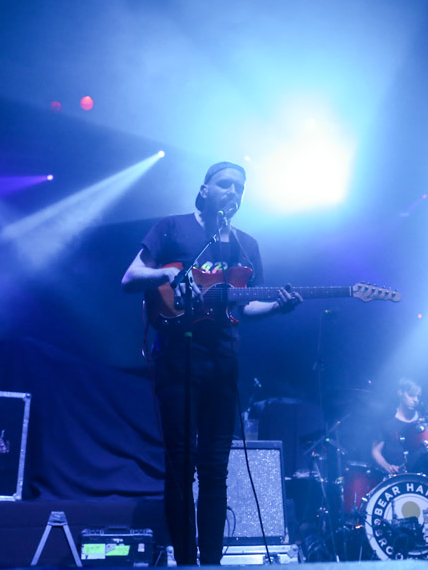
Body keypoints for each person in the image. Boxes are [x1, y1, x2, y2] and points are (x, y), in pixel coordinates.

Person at [121, 161, 301, 565]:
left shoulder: (245, 245)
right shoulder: (172, 227)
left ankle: (212, 562)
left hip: (224, 362)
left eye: (240, 187)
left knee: (216, 468)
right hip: (178, 359)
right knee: (181, 463)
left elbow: (247, 303)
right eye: (225, 185)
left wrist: (276, 307)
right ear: (204, 191)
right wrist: (168, 273)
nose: (233, 192)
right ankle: (185, 560)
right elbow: (130, 278)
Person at [371, 378, 422, 476]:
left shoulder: (422, 420)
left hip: (420, 475)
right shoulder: (387, 420)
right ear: (400, 393)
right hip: (396, 478)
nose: (416, 400)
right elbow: (376, 450)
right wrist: (387, 466)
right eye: (411, 395)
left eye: (418, 397)